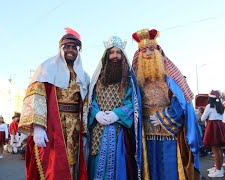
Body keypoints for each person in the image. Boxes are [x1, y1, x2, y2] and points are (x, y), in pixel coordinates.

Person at [18, 27, 90, 180]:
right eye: (67, 47)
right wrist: (38, 127)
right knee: (52, 165)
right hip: (52, 126)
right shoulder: (47, 68)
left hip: (74, 129)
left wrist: (84, 131)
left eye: (74, 47)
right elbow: (36, 96)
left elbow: (85, 105)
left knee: (71, 164)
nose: (70, 50)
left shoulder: (84, 75)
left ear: (79, 50)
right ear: (60, 49)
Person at [132, 29, 202, 179]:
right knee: (148, 168)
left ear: (158, 53)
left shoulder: (169, 77)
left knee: (168, 168)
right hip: (144, 132)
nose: (148, 53)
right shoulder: (136, 80)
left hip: (167, 131)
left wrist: (164, 117)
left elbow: (180, 101)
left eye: (151, 49)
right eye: (143, 51)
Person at [87, 36, 140, 180]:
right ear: (106, 56)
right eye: (111, 53)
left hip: (119, 133)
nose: (115, 56)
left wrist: (117, 114)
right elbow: (90, 102)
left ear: (123, 56)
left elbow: (133, 103)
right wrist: (97, 114)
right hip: (98, 131)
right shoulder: (97, 80)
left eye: (118, 52)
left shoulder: (129, 80)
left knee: (118, 168)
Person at [201, 90, 225, 177]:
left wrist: (202, 112)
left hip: (212, 127)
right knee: (219, 149)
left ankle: (218, 170)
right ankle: (220, 168)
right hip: (220, 126)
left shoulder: (209, 106)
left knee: (215, 149)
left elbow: (203, 118)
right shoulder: (220, 106)